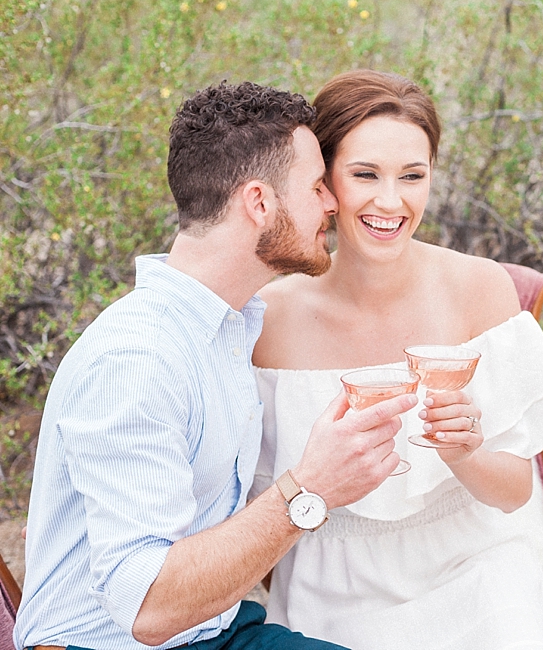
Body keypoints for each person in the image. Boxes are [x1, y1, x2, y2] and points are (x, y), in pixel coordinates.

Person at [13, 82, 417, 650]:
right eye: (315, 186)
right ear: (259, 202)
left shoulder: (231, 327)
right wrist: (313, 488)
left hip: (218, 631)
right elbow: (147, 608)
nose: (332, 203)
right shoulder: (139, 358)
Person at [251, 69, 543, 650]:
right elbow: (250, 507)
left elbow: (513, 492)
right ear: (324, 182)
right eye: (365, 175)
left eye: (412, 176)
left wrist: (467, 451)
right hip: (331, 582)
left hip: (475, 564)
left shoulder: (480, 288)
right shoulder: (269, 317)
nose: (390, 201)